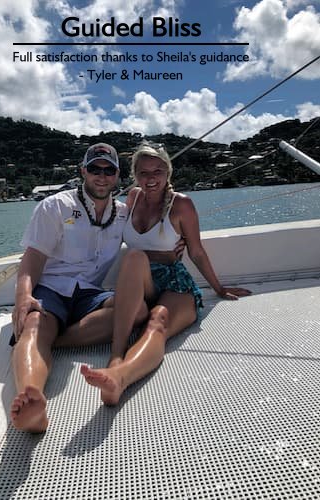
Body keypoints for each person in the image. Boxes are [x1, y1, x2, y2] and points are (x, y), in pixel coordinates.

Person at [80, 143, 251, 405]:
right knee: (135, 257)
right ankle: (116, 355)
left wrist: (218, 288)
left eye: (158, 171)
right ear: (135, 175)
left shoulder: (182, 205)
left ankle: (119, 378)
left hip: (174, 283)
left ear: (168, 172)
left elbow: (196, 252)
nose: (151, 179)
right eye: (144, 172)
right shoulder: (133, 198)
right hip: (142, 282)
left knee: (158, 318)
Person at [10, 143, 150, 433]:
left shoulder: (123, 214)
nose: (102, 176)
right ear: (83, 171)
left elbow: (152, 231)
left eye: (109, 170)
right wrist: (24, 295)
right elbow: (34, 257)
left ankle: (55, 339)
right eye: (95, 169)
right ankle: (31, 399)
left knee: (138, 310)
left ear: (117, 175)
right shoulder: (56, 206)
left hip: (90, 293)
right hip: (51, 287)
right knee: (34, 322)